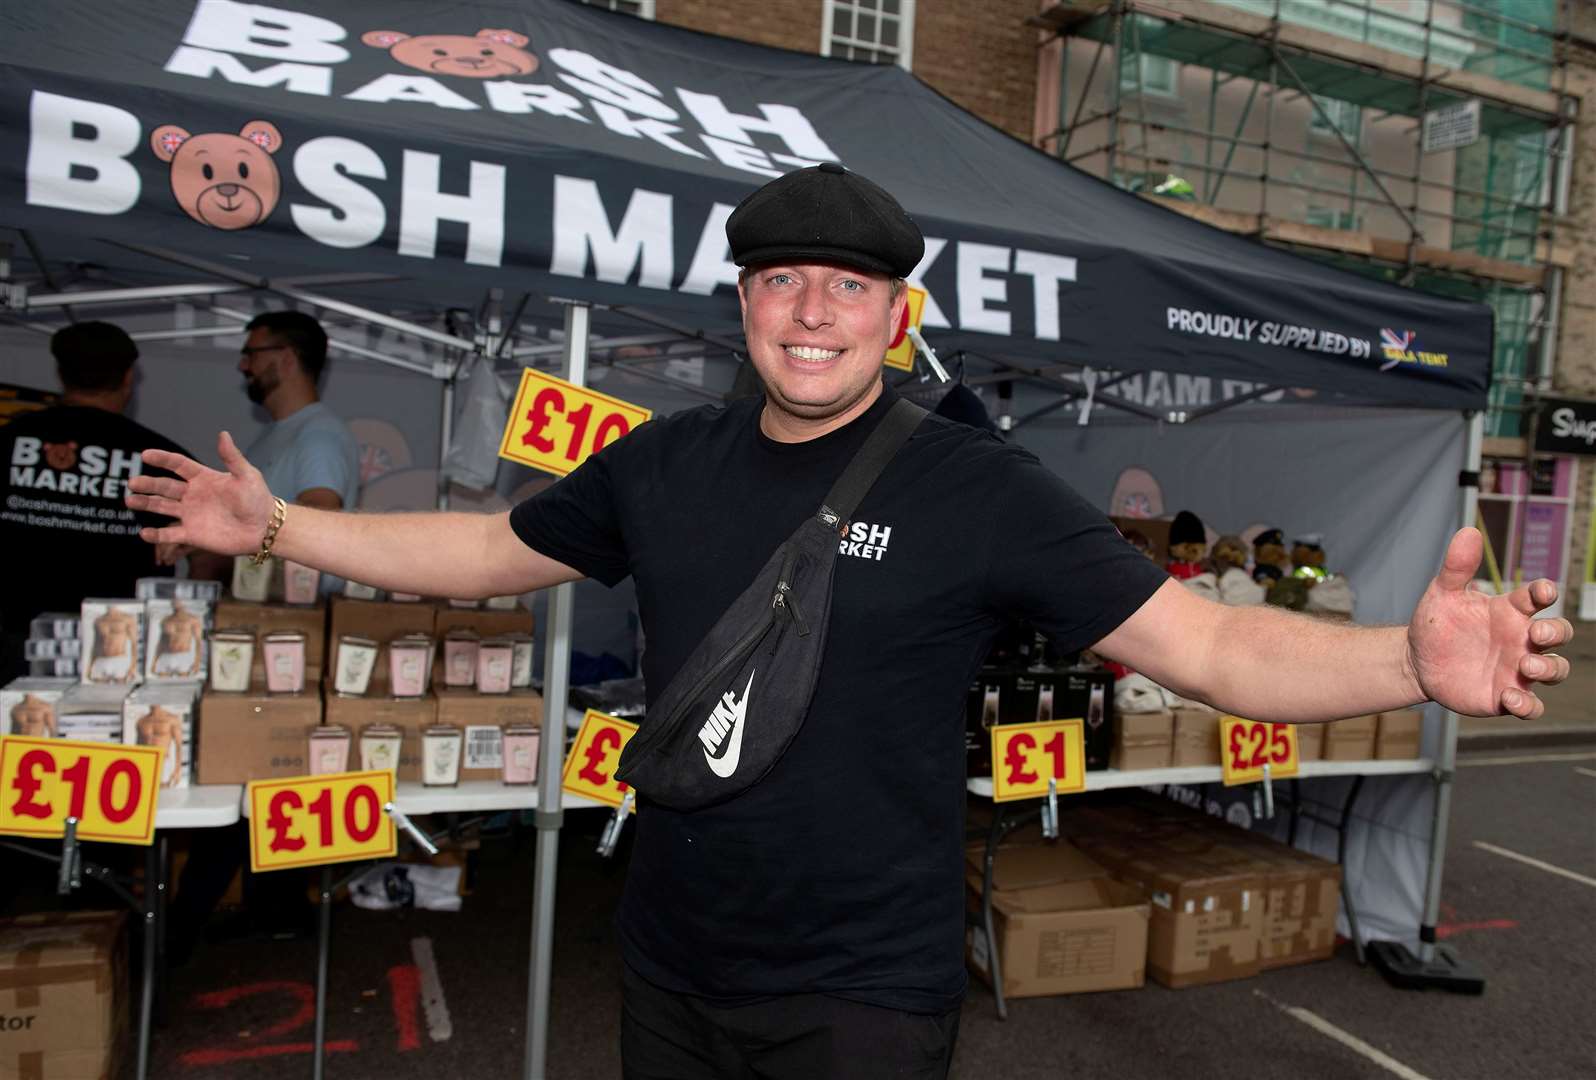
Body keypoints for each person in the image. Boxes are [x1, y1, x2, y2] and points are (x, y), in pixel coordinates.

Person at [128, 164, 1575, 1080]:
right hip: (674, 962)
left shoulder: (981, 485)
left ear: (898, 312)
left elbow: (1206, 644)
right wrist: (277, 526)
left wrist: (1405, 657)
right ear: (743, 303)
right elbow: (488, 548)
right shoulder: (662, 460)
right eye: (781, 281)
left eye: (849, 286)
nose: (811, 309)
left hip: (867, 991)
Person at [0, 321, 190, 680]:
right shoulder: (162, 461)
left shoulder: (7, 443)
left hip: (13, 653)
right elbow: (207, 554)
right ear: (128, 378)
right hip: (117, 654)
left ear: (60, 372)